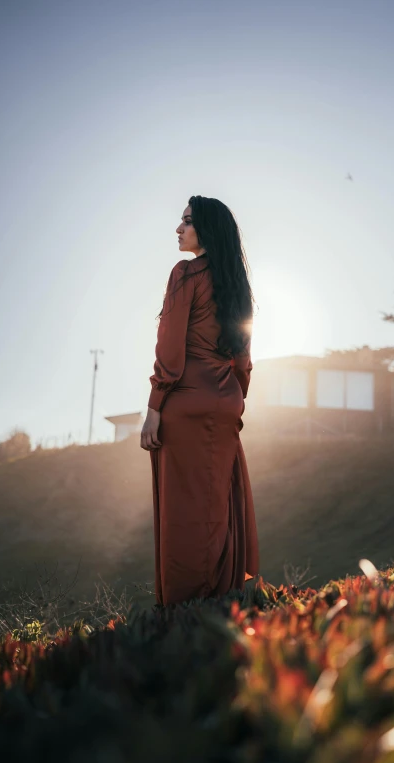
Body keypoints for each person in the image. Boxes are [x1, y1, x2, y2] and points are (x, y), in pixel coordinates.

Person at [140, 195, 260, 606]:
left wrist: (154, 408)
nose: (178, 228)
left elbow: (169, 348)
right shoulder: (236, 284)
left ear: (205, 229)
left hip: (186, 402)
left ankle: (184, 608)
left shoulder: (185, 273)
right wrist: (231, 396)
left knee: (184, 512)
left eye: (186, 222)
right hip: (225, 401)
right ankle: (221, 597)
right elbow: (243, 358)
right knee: (218, 504)